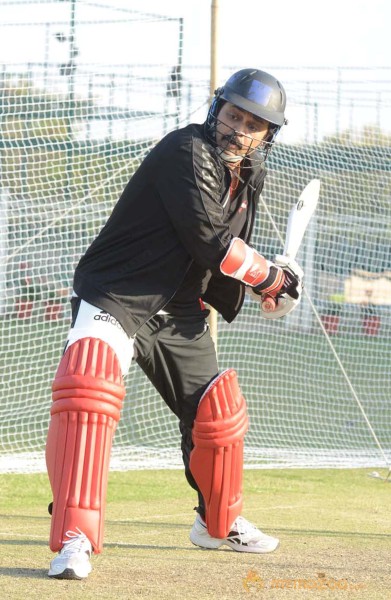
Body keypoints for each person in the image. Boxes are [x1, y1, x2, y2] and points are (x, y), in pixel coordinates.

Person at [46, 68, 303, 580]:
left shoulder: (251, 174)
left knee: (217, 415)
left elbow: (221, 255)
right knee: (87, 389)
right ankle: (74, 538)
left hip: (180, 310)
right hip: (117, 294)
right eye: (233, 115)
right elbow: (209, 238)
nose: (239, 130)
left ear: (268, 134)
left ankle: (216, 522)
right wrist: (271, 279)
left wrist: (265, 290)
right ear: (216, 111)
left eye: (254, 124)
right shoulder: (184, 151)